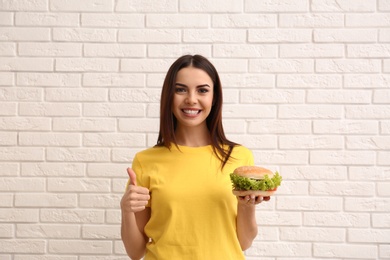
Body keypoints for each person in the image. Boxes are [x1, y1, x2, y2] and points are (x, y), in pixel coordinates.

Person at [120, 54, 269, 260]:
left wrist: (247, 206)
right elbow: (136, 252)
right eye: (180, 89)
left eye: (202, 90)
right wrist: (126, 210)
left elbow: (243, 242)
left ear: (214, 97)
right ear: (168, 96)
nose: (191, 99)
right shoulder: (146, 161)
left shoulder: (239, 158)